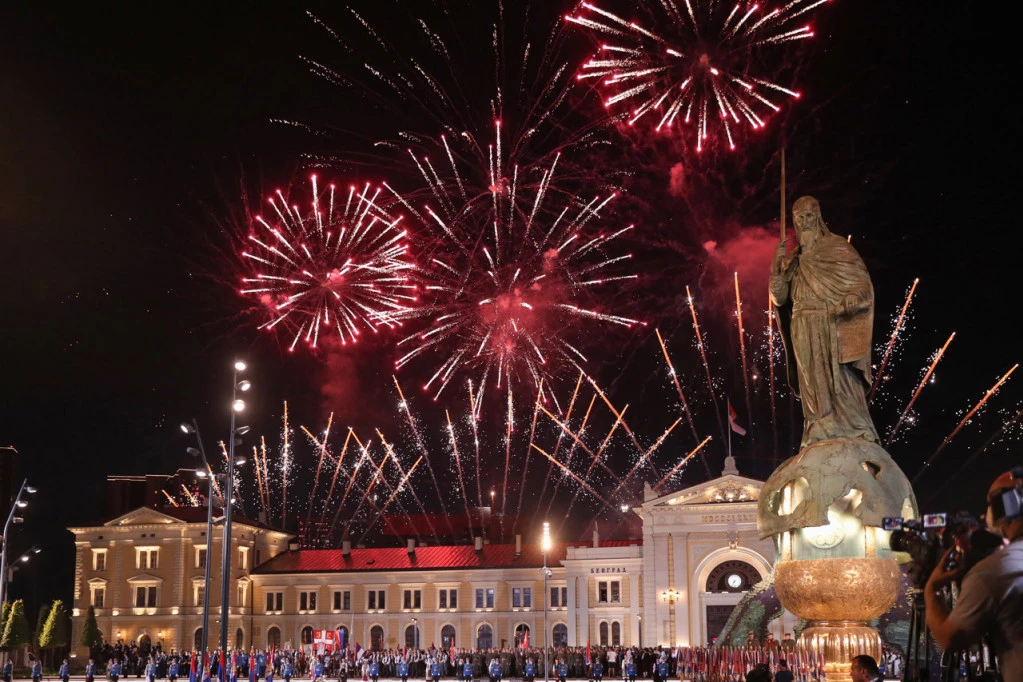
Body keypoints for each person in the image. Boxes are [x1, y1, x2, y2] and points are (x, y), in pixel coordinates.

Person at [770, 195, 879, 447]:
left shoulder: (837, 247)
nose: (805, 222)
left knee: (840, 378)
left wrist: (852, 298)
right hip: (801, 323)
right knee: (811, 380)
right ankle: (818, 426)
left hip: (831, 322)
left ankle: (855, 426)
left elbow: (862, 284)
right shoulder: (793, 259)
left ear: (818, 217)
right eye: (799, 217)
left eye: (809, 215)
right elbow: (779, 297)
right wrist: (776, 266)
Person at [925, 467, 1023, 680]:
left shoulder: (993, 572)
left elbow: (949, 639)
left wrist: (931, 591)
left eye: (992, 502)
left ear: (1009, 504)